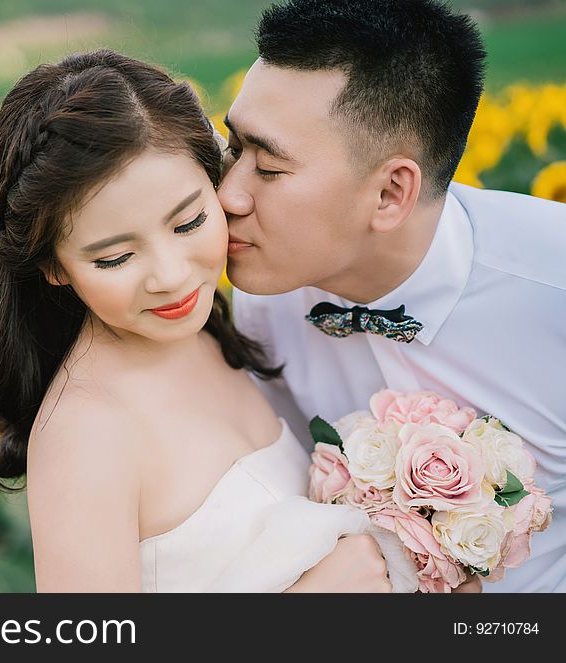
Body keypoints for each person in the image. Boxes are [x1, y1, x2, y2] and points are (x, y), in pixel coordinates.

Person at [0, 48, 419, 592]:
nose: (170, 275)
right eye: (114, 258)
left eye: (188, 222)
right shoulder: (86, 436)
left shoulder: (207, 332)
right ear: (54, 267)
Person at [221, 0, 566, 592]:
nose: (228, 195)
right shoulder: (265, 300)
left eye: (269, 168)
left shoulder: (552, 288)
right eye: (234, 149)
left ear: (390, 192)